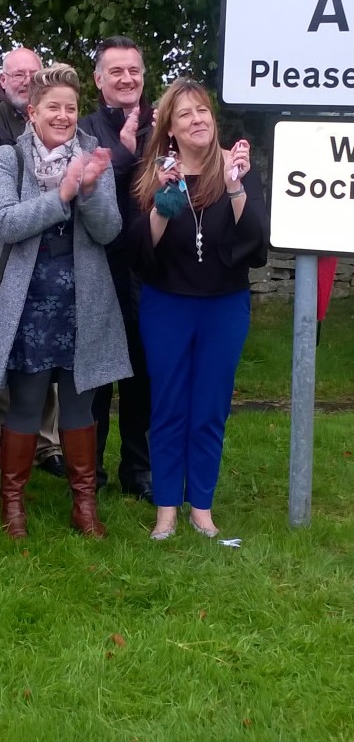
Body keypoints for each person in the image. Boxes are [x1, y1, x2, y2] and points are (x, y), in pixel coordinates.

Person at [129, 78, 268, 540]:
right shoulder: (153, 174)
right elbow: (139, 253)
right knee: (168, 405)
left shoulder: (237, 168)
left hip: (224, 307)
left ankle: (201, 508)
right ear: (170, 126)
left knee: (210, 407)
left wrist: (234, 187)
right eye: (185, 113)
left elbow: (254, 243)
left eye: (203, 111)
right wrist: (162, 208)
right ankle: (166, 508)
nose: (197, 120)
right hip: (167, 306)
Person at [0, 64, 132, 537]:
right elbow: (7, 225)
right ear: (32, 112)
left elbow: (109, 230)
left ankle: (85, 507)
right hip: (29, 303)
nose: (62, 115)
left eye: (70, 108)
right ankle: (12, 505)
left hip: (84, 299)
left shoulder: (94, 157)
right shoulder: (9, 160)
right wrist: (64, 193)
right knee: (26, 403)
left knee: (80, 406)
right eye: (52, 107)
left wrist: (91, 188)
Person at [80, 36, 155, 502]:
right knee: (94, 386)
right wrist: (125, 155)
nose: (127, 79)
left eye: (134, 71)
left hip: (150, 272)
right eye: (116, 72)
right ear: (99, 80)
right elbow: (94, 197)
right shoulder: (85, 131)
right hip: (98, 271)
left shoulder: (162, 128)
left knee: (142, 381)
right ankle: (88, 477)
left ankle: (138, 472)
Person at [0, 47, 68, 479]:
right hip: (8, 245)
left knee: (40, 357)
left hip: (41, 257)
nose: (25, 79)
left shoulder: (56, 126)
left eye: (32, 72)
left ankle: (46, 445)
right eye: (17, 73)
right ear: (2, 79)